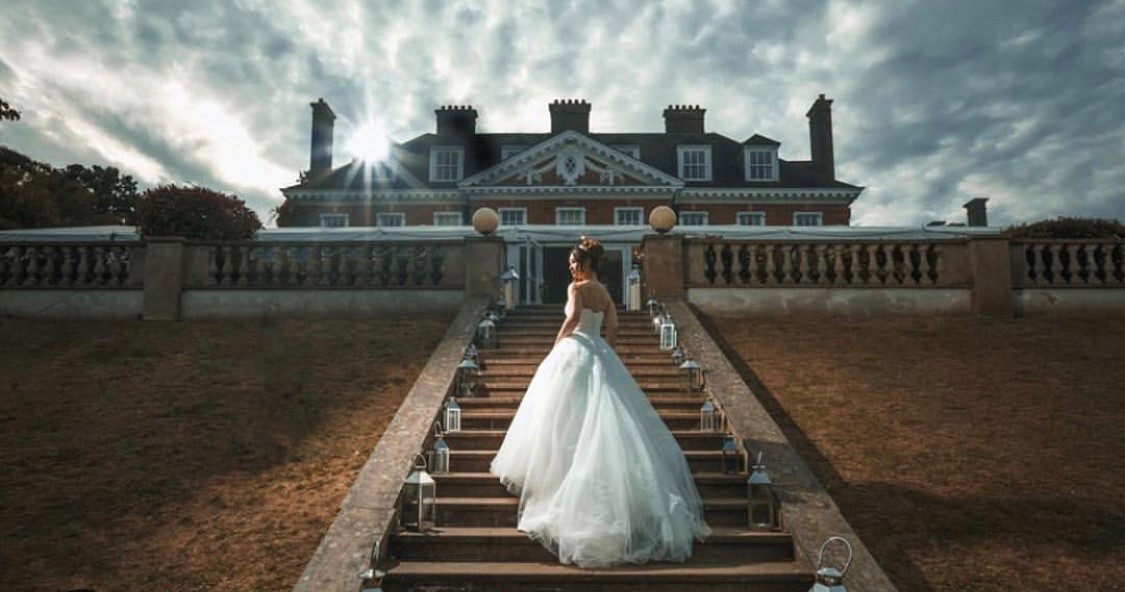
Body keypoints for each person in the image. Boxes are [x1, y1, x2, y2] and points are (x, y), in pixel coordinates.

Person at [490, 237, 711, 568]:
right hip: (597, 349)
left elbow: (573, 317)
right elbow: (615, 326)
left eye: (572, 262)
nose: (569, 267)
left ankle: (558, 477)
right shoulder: (606, 293)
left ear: (583, 264)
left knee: (562, 413)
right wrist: (604, 349)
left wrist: (557, 342)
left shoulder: (576, 289)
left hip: (574, 348)